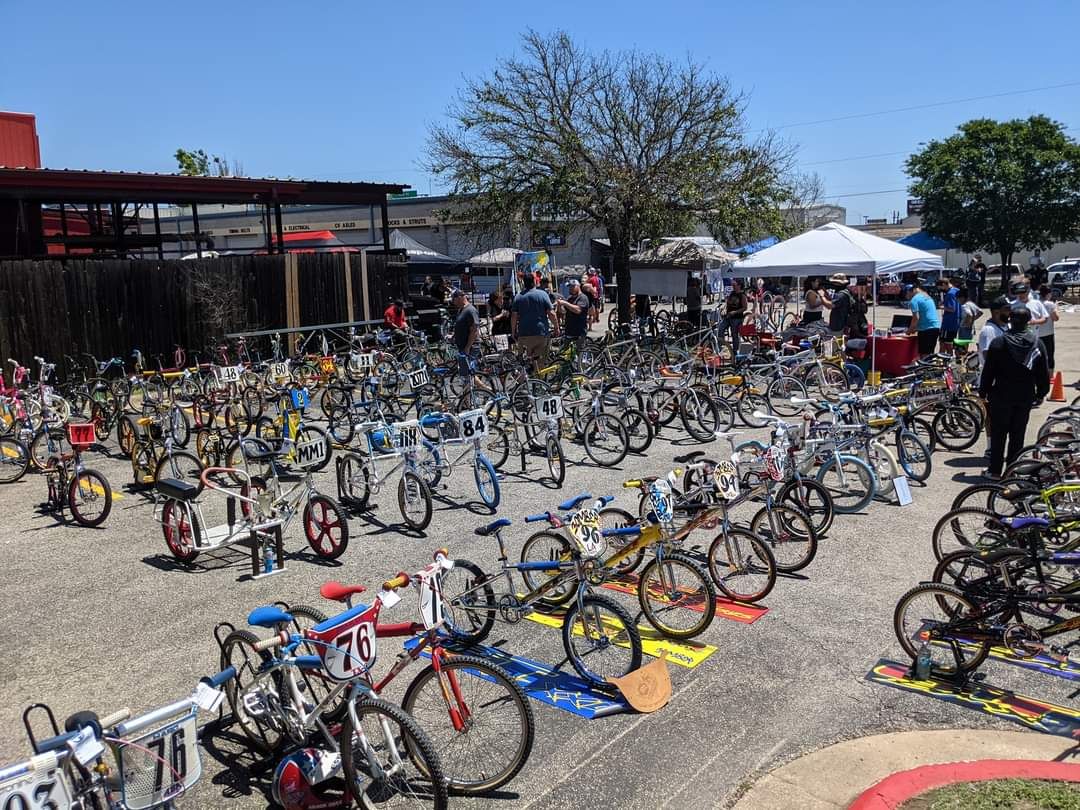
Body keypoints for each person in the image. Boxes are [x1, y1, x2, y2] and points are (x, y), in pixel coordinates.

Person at [979, 303, 1050, 479]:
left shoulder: (999, 343)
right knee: (1018, 435)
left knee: (998, 434)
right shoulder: (1037, 343)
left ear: (1010, 320)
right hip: (1025, 395)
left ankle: (995, 471)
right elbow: (1043, 373)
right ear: (1028, 321)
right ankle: (1012, 471)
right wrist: (1041, 393)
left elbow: (989, 371)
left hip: (1001, 394)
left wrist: (983, 391)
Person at [512, 272, 559, 364]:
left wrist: (513, 332)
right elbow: (551, 313)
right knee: (539, 362)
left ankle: (526, 378)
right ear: (534, 281)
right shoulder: (543, 294)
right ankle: (538, 377)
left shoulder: (518, 297)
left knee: (524, 363)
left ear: (524, 282)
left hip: (524, 333)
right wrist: (556, 327)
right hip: (540, 332)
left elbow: (514, 316)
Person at [905, 279, 941, 358]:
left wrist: (909, 330)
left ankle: (925, 370)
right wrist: (916, 328)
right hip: (935, 327)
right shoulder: (926, 295)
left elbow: (916, 318)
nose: (907, 295)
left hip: (926, 330)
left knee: (924, 355)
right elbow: (926, 314)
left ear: (912, 291)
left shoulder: (914, 300)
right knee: (929, 353)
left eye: (907, 293)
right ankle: (929, 368)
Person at [451, 289, 479, 376]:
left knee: (468, 373)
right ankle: (482, 388)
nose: (453, 302)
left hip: (470, 348)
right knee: (466, 373)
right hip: (462, 347)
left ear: (459, 297)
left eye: (453, 299)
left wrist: (468, 347)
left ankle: (486, 389)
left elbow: (474, 330)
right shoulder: (460, 310)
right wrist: (453, 336)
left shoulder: (470, 310)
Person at [558, 277, 591, 349]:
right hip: (569, 331)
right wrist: (559, 305)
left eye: (572, 286)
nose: (570, 289)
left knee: (579, 353)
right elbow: (563, 311)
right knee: (565, 354)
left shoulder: (583, 298)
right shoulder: (570, 298)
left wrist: (565, 303)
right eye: (569, 287)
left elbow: (578, 310)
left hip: (579, 332)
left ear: (578, 286)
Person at [720, 280, 748, 353]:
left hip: (737, 318)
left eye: (735, 285)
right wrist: (724, 308)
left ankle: (735, 350)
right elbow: (727, 302)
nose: (733, 287)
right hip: (728, 316)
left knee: (734, 334)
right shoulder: (732, 293)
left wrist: (735, 312)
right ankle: (721, 347)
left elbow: (745, 308)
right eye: (733, 286)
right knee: (721, 328)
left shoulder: (742, 295)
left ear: (739, 286)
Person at [1036, 284, 1060, 370]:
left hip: (1037, 333)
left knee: (1037, 354)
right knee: (1049, 355)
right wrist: (1056, 307)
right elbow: (1056, 318)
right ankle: (1050, 376)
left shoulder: (1036, 303)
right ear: (1048, 294)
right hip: (1048, 333)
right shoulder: (1050, 304)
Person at [938, 276, 961, 352]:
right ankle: (948, 358)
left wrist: (942, 307)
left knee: (944, 343)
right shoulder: (957, 290)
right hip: (956, 321)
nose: (941, 290)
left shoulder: (950, 294)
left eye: (941, 287)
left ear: (944, 284)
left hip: (948, 323)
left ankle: (944, 359)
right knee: (949, 342)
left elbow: (952, 309)